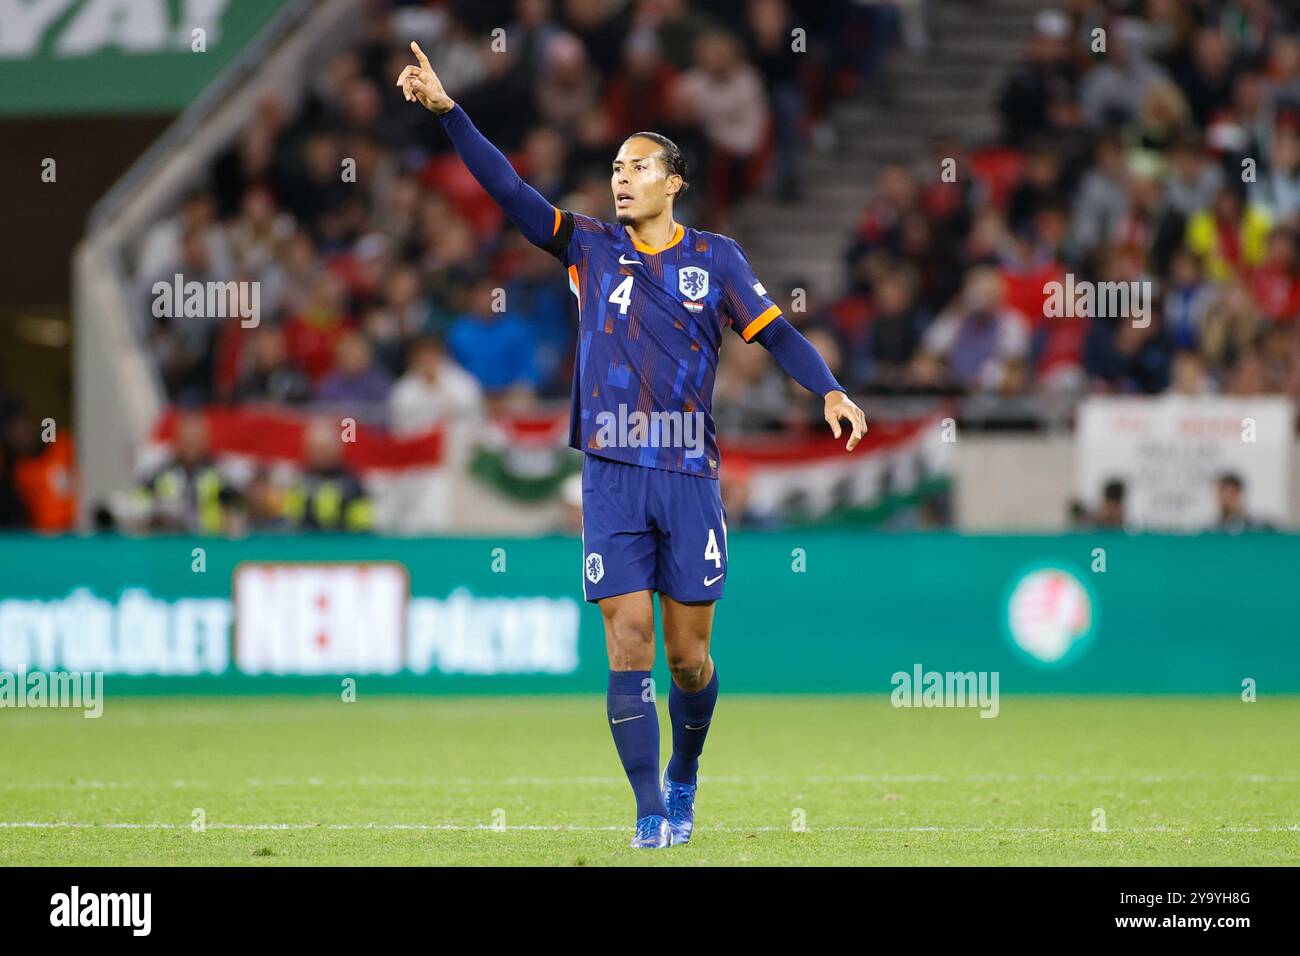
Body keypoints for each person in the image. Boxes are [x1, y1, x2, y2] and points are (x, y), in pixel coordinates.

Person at [397, 41, 866, 849]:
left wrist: (827, 388)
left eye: (639, 166)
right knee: (627, 638)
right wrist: (450, 113)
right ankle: (650, 810)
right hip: (612, 471)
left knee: (687, 660)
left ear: (674, 182)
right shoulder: (587, 245)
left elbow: (777, 332)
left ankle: (685, 772)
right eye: (616, 165)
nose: (622, 176)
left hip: (688, 473)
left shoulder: (716, 260)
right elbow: (510, 192)